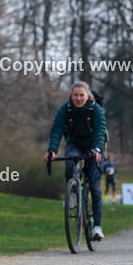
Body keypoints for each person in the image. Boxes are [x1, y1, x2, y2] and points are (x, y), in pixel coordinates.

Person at [46, 82, 107, 241]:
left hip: (94, 147)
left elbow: (100, 131)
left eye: (81, 95)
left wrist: (97, 150)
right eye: (75, 95)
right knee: (69, 165)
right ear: (71, 95)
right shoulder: (65, 109)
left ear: (87, 96)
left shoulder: (96, 109)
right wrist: (52, 150)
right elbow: (57, 129)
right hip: (75, 144)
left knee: (94, 184)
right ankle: (72, 193)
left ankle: (97, 227)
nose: (78, 98)